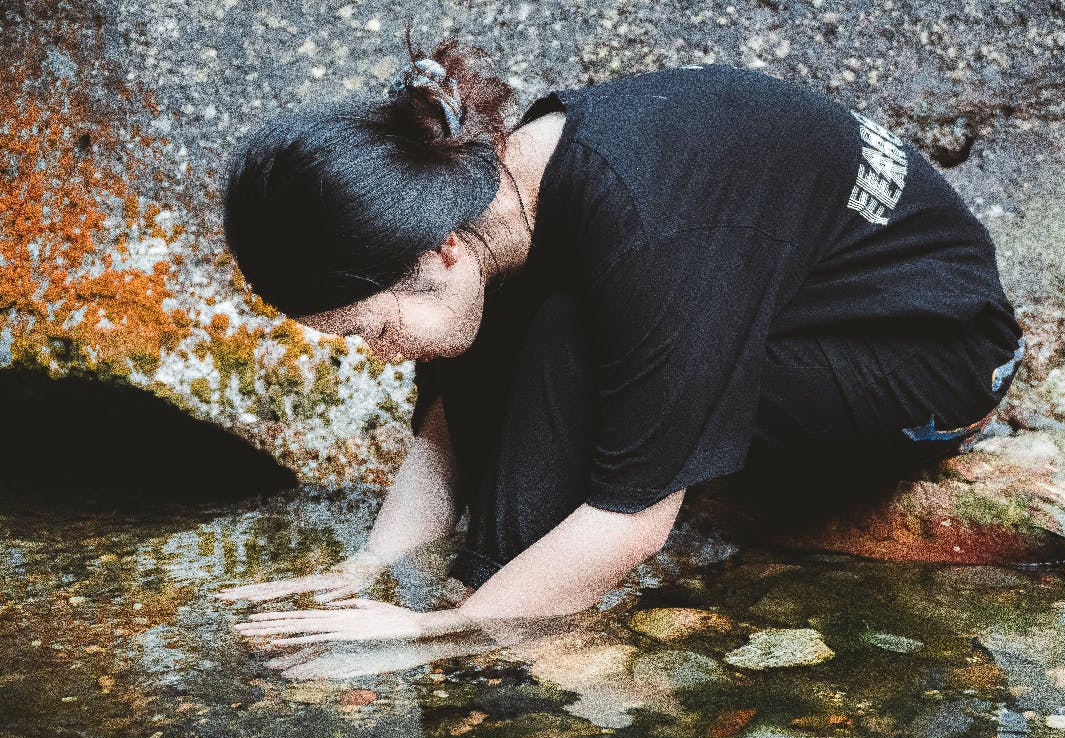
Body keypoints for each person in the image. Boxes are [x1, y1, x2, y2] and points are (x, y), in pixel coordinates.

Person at [219, 39, 1024, 650]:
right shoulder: (490, 197)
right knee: (522, 329)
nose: (380, 351)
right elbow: (445, 431)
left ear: (439, 254)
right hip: (795, 312)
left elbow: (633, 520)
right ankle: (488, 597)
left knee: (567, 337)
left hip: (932, 364)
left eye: (374, 327)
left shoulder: (644, 223)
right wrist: (364, 574)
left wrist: (435, 636)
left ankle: (494, 642)